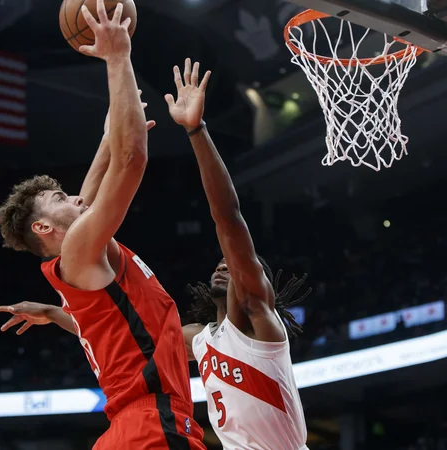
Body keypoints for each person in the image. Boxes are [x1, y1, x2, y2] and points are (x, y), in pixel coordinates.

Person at [0, 2, 204, 449]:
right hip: (151, 427)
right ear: (44, 230)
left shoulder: (81, 265)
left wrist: (54, 314)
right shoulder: (81, 250)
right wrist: (117, 58)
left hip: (127, 431)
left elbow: (96, 182)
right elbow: (132, 160)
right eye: (58, 199)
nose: (73, 197)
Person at [168, 58, 310, 450]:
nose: (223, 264)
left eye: (233, 264)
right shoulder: (199, 341)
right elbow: (128, 334)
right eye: (220, 263)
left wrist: (196, 130)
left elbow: (228, 218)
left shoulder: (258, 322)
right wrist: (61, 312)